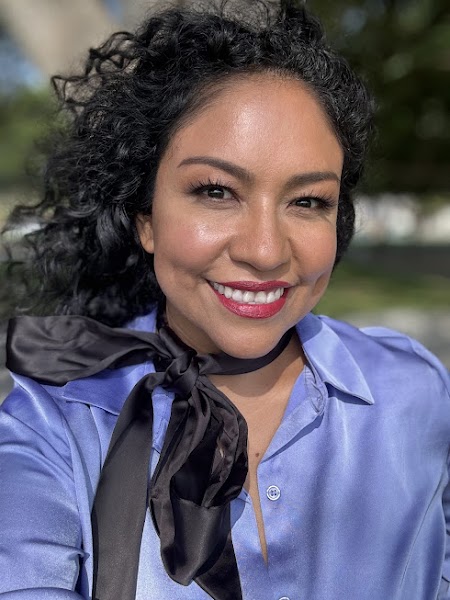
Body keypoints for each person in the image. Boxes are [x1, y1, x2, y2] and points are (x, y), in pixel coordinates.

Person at [0, 1, 449, 599]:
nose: (265, 250)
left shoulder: (415, 390)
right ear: (145, 217)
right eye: (216, 191)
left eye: (308, 201)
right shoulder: (52, 425)